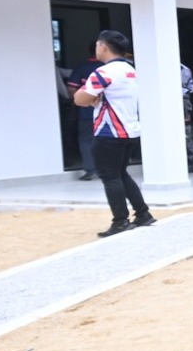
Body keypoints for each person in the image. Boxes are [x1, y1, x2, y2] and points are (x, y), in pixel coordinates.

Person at [71, 31, 155, 237]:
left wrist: (89, 96)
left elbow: (79, 99)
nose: (96, 49)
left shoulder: (103, 72)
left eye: (97, 45)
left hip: (109, 131)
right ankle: (142, 214)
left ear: (103, 47)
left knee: (110, 176)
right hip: (129, 129)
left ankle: (120, 221)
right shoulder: (130, 70)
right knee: (121, 173)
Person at [63, 52, 102, 181]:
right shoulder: (109, 69)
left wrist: (79, 100)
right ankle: (109, 169)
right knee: (109, 140)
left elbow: (71, 90)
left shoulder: (81, 68)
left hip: (87, 111)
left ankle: (91, 170)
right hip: (108, 111)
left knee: (86, 140)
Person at [180, 64, 193, 174]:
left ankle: (191, 161)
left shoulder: (182, 69)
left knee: (186, 134)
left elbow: (189, 89)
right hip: (181, 100)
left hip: (182, 101)